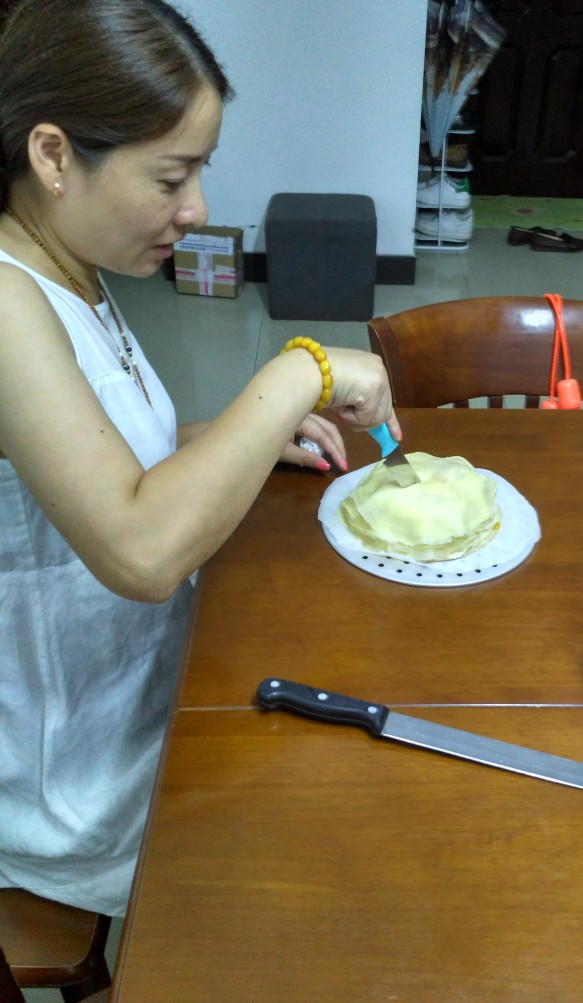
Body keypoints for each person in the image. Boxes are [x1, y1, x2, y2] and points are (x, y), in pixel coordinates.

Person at [0, 0, 400, 917]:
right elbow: (139, 551)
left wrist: (234, 443)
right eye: (172, 176)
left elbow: (90, 459)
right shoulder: (6, 301)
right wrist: (298, 374)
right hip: (78, 771)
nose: (199, 210)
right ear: (53, 156)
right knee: (355, 844)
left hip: (151, 683)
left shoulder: (72, 268)